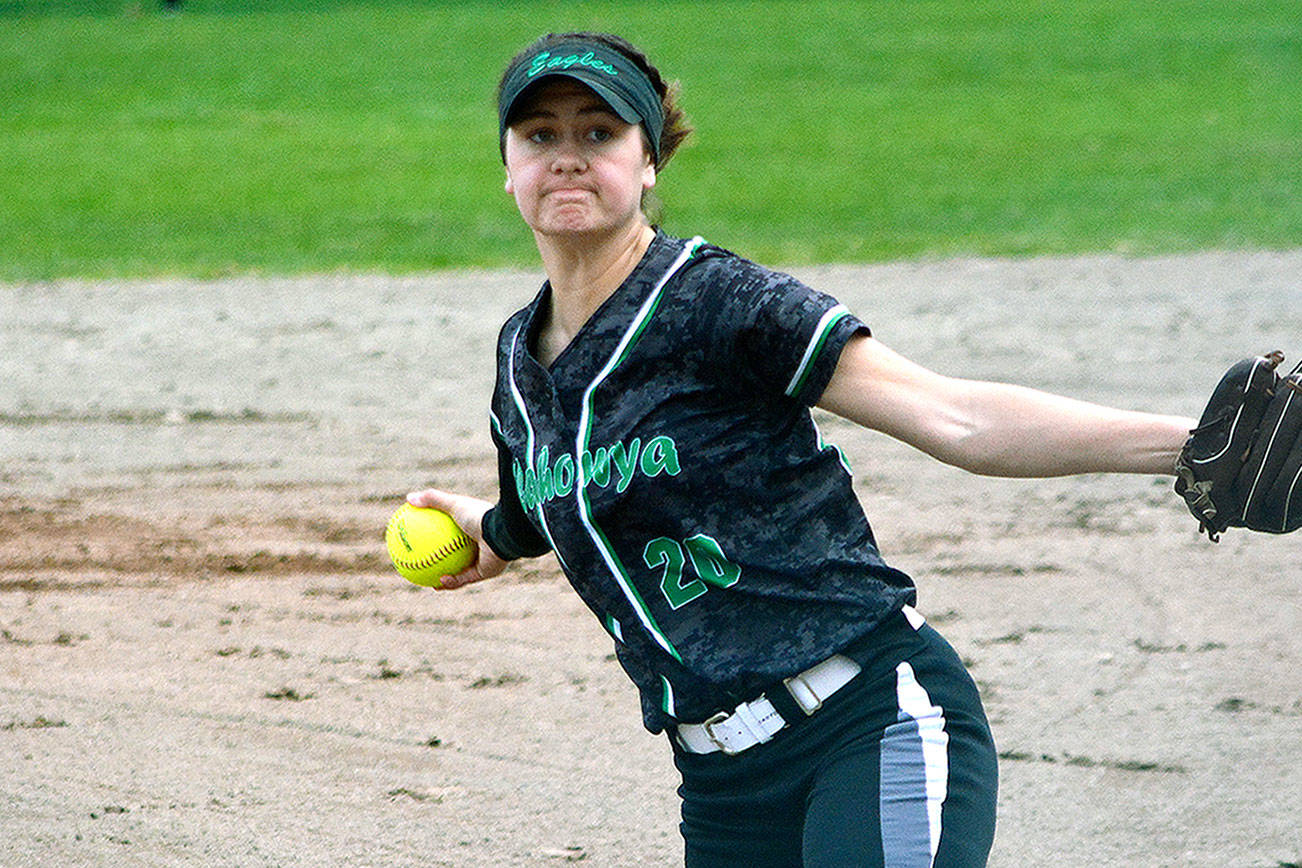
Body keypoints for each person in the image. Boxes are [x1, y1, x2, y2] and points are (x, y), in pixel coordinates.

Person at [406, 31, 1197, 867]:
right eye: (540, 136)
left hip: (868, 726)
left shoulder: (720, 302)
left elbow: (953, 417)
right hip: (720, 793)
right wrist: (495, 533)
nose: (568, 156)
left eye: (599, 133)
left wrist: (1190, 446)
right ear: (506, 165)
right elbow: (564, 495)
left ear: (649, 164)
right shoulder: (518, 360)